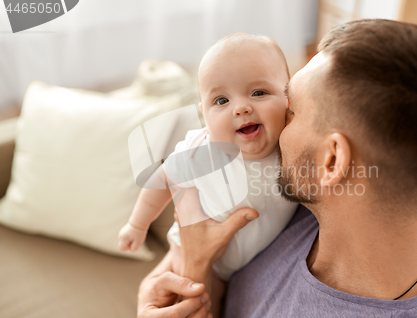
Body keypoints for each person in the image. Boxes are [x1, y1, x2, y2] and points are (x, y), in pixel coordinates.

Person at [136, 19, 417, 318]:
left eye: (292, 110)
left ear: (332, 160)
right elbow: (201, 238)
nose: (277, 121)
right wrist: (173, 275)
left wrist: (195, 268)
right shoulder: (328, 202)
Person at [118, 33, 298, 282]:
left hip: (252, 265)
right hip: (191, 253)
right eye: (222, 100)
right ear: (205, 115)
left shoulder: (294, 145)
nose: (241, 108)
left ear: (289, 98)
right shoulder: (202, 152)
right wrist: (137, 225)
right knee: (189, 303)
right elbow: (162, 178)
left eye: (258, 93)